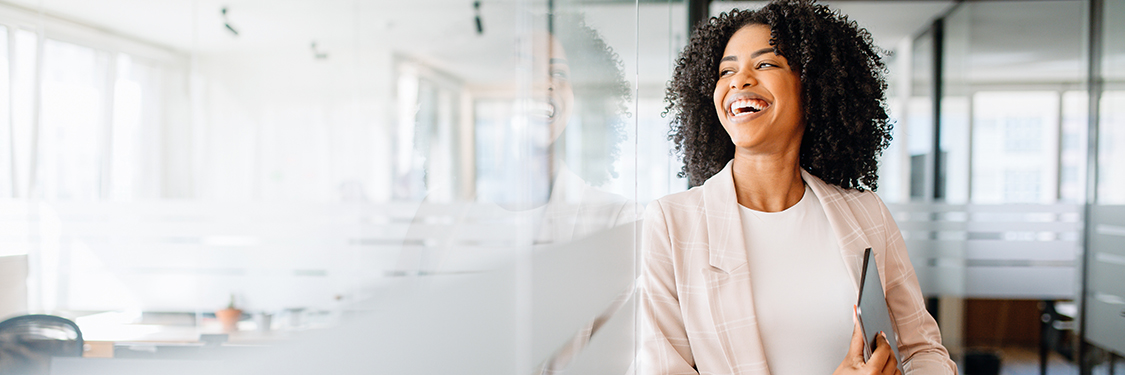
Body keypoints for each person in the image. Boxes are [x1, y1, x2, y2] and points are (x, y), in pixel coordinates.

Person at [640, 1, 957, 375]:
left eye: (765, 64)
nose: (739, 81)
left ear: (813, 87)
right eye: (726, 71)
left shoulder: (866, 212)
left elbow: (925, 351)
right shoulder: (673, 222)